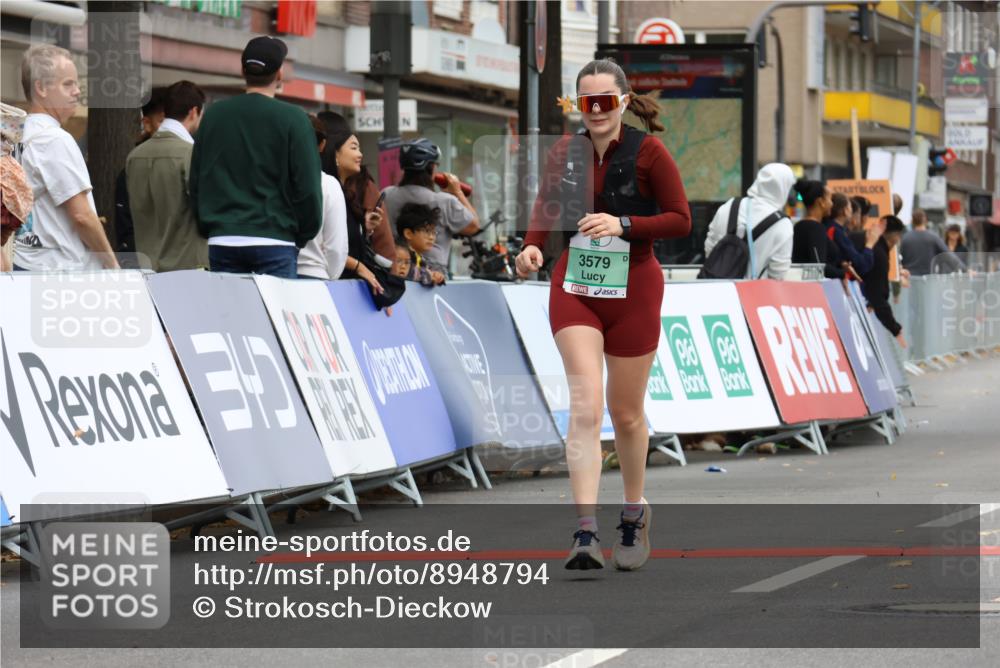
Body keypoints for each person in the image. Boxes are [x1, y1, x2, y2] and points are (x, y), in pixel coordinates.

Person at [515, 58, 691, 572]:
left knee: (627, 413)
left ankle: (634, 513)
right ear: (577, 104)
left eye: (605, 101)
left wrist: (624, 223)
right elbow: (546, 206)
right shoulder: (564, 152)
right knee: (586, 407)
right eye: (586, 102)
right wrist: (531, 246)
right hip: (576, 286)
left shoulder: (649, 151)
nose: (595, 111)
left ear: (623, 101)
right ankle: (585, 530)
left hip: (634, 288)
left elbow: (680, 219)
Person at [189, 36, 320, 278]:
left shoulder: (215, 115)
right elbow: (308, 187)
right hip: (276, 238)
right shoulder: (294, 119)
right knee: (276, 304)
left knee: (229, 304)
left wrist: (209, 225)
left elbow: (196, 180)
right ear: (279, 74)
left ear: (243, 70)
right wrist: (302, 233)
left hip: (223, 237)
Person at [14, 45, 118, 271]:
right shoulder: (54, 139)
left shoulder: (16, 136)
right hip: (59, 271)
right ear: (41, 88)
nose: (77, 92)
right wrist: (112, 265)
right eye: (67, 84)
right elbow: (82, 216)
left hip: (23, 262)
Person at [125, 81, 209, 272]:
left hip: (147, 265)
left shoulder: (135, 156)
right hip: (188, 265)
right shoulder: (191, 154)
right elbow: (205, 210)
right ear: (194, 112)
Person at [382, 138, 480, 274]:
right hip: (433, 274)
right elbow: (474, 226)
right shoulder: (444, 201)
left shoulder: (387, 194)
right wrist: (457, 192)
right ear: (432, 167)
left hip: (395, 270)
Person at [319, 119, 387, 296]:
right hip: (332, 287)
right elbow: (325, 245)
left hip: (349, 289)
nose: (360, 154)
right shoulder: (326, 189)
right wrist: (359, 267)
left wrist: (366, 228)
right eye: (354, 148)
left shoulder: (346, 195)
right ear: (335, 153)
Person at [704, 162, 795, 280]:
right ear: (784, 188)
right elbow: (778, 274)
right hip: (754, 290)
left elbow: (710, 246)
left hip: (716, 287)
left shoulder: (729, 205)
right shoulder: (782, 224)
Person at [115, 87, 166, 264]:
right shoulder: (132, 170)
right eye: (163, 122)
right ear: (147, 123)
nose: (172, 129)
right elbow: (126, 227)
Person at [296, 115, 348, 280]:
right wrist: (331, 275)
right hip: (314, 274)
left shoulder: (273, 181)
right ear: (322, 145)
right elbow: (336, 247)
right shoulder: (328, 183)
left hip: (274, 275)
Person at [860, 215, 907, 348]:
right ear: (896, 236)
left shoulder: (878, 248)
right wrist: (895, 329)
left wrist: (871, 302)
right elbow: (878, 295)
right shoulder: (879, 253)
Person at [823, 193, 880, 283]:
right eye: (850, 207)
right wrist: (870, 244)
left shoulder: (836, 229)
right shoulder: (836, 231)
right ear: (845, 211)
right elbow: (860, 264)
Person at [899, 209, 964, 275]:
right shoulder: (933, 237)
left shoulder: (905, 238)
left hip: (910, 277)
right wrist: (964, 269)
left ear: (912, 221)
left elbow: (900, 259)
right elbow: (948, 256)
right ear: (925, 220)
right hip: (928, 278)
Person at [396, 202, 446, 286]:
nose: (431, 237)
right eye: (427, 231)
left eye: (434, 232)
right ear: (408, 233)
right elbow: (410, 273)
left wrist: (436, 275)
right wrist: (429, 275)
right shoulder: (399, 253)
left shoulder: (420, 258)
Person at [790, 179, 833, 271]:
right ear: (821, 202)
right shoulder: (816, 229)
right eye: (830, 199)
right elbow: (819, 266)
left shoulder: (798, 226)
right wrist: (843, 273)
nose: (832, 204)